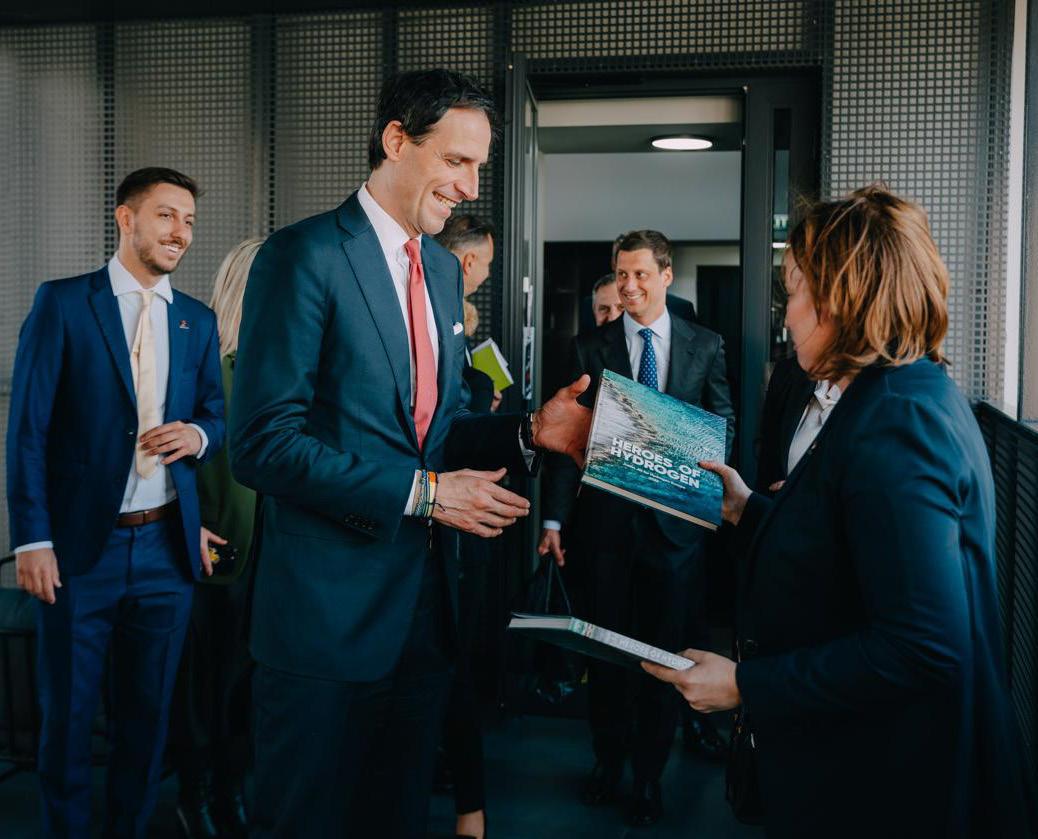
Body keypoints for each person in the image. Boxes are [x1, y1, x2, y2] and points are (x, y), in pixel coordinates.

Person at [229, 68, 591, 838]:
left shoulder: (439, 270)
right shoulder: (302, 256)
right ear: (396, 140)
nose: (469, 186)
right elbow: (262, 445)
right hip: (322, 628)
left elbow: (442, 428)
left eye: (479, 167)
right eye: (456, 160)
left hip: (422, 619)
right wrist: (425, 493)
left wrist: (530, 431)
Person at [644, 185, 1036, 838]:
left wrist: (747, 684)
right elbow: (849, 551)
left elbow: (922, 645)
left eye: (794, 294)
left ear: (840, 302)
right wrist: (748, 509)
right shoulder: (898, 396)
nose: (788, 317)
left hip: (892, 787)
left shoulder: (898, 422)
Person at [6, 167, 225, 838]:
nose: (181, 232)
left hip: (167, 550)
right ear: (126, 218)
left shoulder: (197, 320)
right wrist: (33, 539)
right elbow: (28, 431)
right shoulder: (64, 303)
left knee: (147, 719)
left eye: (188, 220)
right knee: (69, 719)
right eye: (166, 215)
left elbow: (216, 413)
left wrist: (197, 434)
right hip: (79, 553)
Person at [539, 229, 735, 827]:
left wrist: (703, 473)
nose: (628, 286)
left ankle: (649, 778)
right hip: (605, 533)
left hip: (676, 535)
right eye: (621, 274)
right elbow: (565, 442)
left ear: (666, 276)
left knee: (664, 660)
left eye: (640, 274)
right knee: (607, 660)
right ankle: (607, 762)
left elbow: (723, 419)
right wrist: (554, 518)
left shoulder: (705, 344)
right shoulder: (589, 346)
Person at [168, 237, 265, 839]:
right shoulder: (200, 363)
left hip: (268, 554)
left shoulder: (274, 368)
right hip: (211, 548)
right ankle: (196, 794)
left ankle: (230, 790)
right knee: (204, 686)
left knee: (245, 685)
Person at [434, 213, 499, 839]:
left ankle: (469, 802)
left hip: (454, 520)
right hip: (432, 515)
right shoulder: (439, 315)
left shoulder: (447, 319)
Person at [437, 213, 501, 414]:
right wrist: (481, 393)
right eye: (488, 263)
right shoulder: (445, 313)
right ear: (470, 262)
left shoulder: (444, 305)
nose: (488, 273)